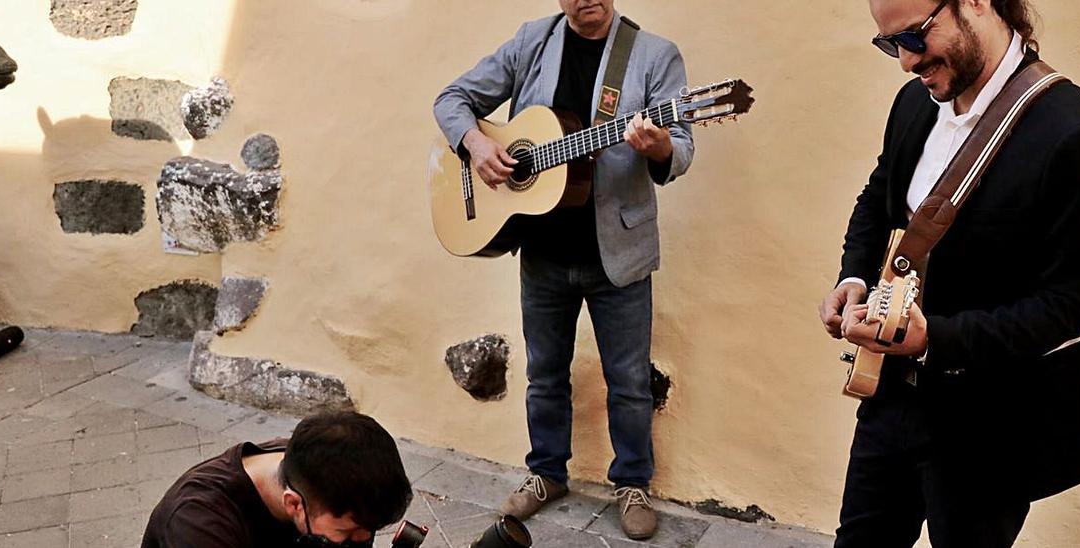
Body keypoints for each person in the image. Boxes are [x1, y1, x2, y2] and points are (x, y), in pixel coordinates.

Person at [818, 1, 1080, 546]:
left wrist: (933, 338)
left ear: (977, 3)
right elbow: (879, 200)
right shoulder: (914, 104)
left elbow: (1070, 307)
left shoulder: (1076, 135)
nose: (906, 62)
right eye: (890, 44)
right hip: (890, 398)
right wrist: (854, 280)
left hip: (992, 427)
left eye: (914, 36)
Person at [433, 0, 694, 540]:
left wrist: (660, 144)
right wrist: (479, 145)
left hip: (616, 253)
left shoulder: (651, 55)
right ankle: (546, 473)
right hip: (543, 250)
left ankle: (632, 482)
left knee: (627, 380)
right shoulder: (533, 40)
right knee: (543, 372)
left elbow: (683, 147)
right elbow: (452, 100)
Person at [142, 410, 413, 547]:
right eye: (346, 532)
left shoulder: (314, 467)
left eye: (370, 528)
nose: (362, 538)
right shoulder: (198, 524)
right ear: (294, 504)